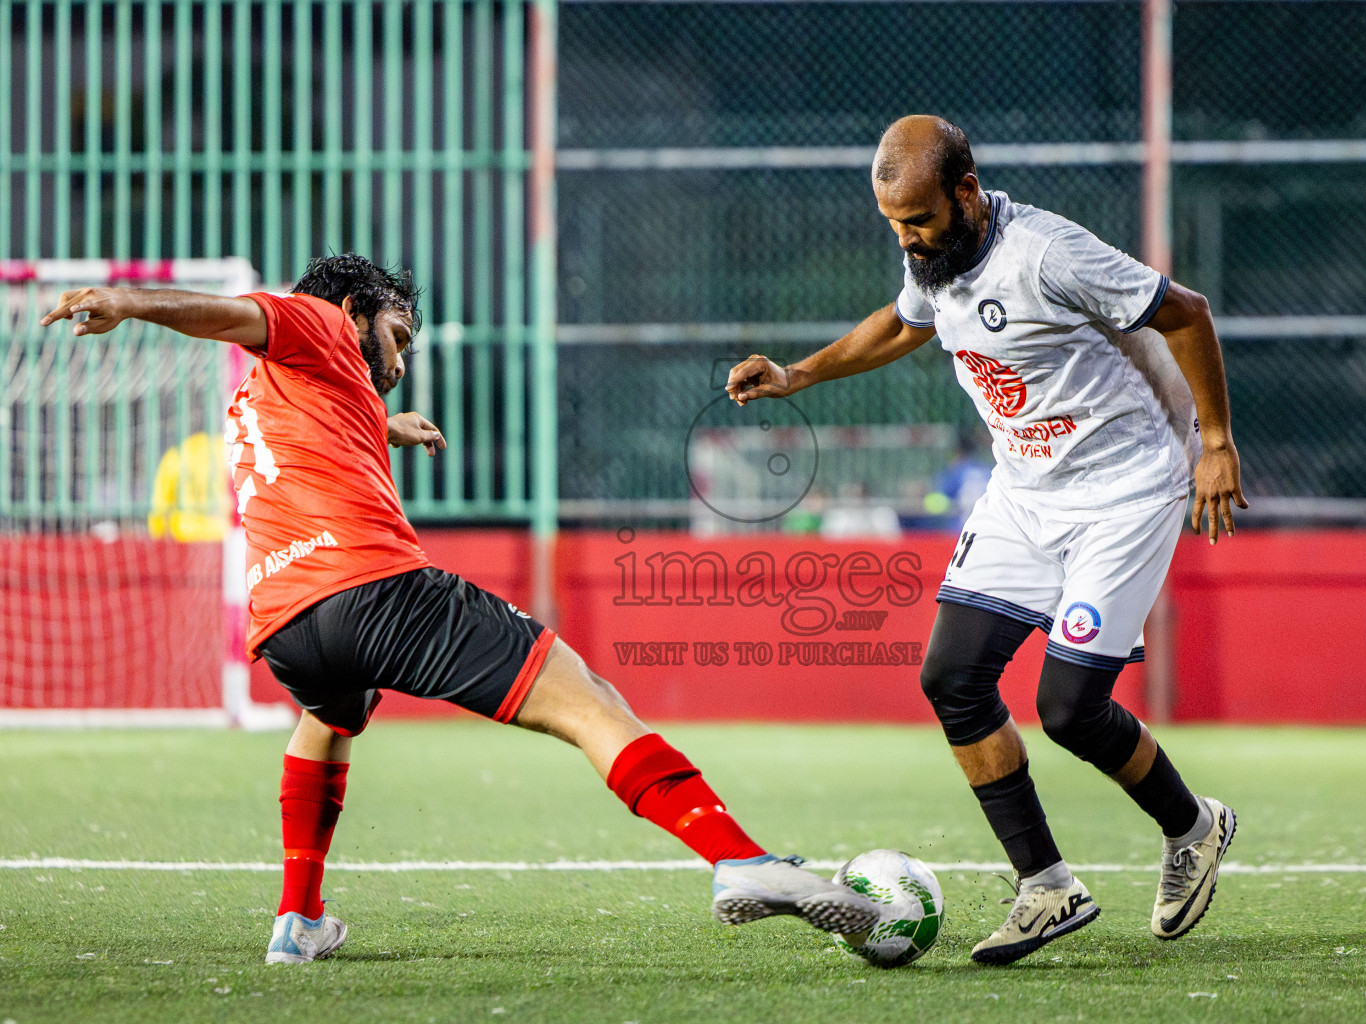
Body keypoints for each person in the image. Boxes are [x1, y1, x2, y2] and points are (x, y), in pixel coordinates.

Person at [41, 254, 877, 965]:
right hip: (375, 591)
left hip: (289, 629)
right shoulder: (316, 320)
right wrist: (129, 302)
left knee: (328, 720)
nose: (401, 360)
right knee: (587, 699)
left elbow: (323, 423)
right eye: (398, 335)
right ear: (353, 312)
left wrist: (386, 426)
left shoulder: (262, 396)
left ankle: (297, 920)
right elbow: (236, 315)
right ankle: (740, 860)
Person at [728, 116, 1247, 965]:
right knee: (953, 680)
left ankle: (1193, 827)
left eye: (919, 220)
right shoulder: (935, 253)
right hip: (1024, 491)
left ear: (966, 192)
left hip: (1123, 492)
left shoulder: (1047, 254)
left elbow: (1186, 313)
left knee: (1070, 710)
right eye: (894, 225)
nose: (907, 239)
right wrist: (797, 374)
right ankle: (1047, 886)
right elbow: (904, 324)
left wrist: (1217, 445)